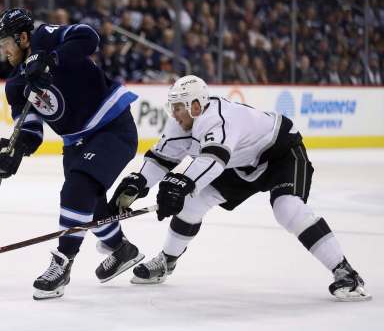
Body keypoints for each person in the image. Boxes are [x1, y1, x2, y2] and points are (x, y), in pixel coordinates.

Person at [110, 75, 371, 302]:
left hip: (280, 155)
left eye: (179, 107)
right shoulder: (179, 123)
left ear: (196, 106)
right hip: (240, 163)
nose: (174, 113)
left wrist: (182, 183)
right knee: (191, 204)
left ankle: (346, 272)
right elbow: (161, 159)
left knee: (287, 209)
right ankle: (167, 261)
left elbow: (212, 160)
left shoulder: (217, 119)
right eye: (173, 106)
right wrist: (138, 181)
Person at [0, 8, 144, 300]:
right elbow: (31, 130)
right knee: (91, 203)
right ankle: (122, 249)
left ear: (22, 37)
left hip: (111, 125)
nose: (2, 51)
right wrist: (14, 150)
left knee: (77, 189)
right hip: (75, 142)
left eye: (4, 43)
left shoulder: (45, 37)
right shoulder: (15, 85)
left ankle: (62, 262)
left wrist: (50, 58)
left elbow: (89, 37)